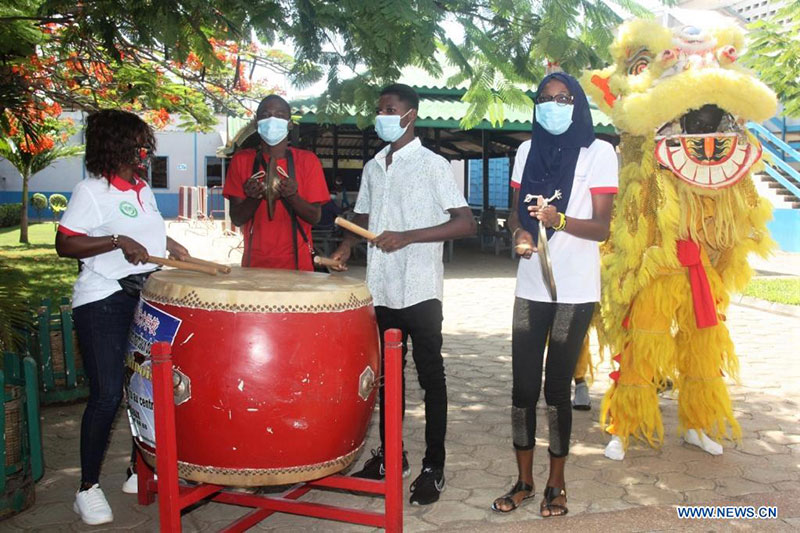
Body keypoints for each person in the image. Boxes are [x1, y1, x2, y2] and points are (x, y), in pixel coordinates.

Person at [330, 83, 476, 505]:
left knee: (432, 379)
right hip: (382, 289)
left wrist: (408, 237)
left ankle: (434, 465)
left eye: (390, 109)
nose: (383, 117)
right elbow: (364, 214)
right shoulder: (375, 165)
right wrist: (345, 246)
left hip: (420, 288)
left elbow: (465, 223)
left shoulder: (432, 165)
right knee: (386, 379)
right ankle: (391, 456)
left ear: (410, 115)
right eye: (380, 109)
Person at [491, 73, 617, 517]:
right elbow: (512, 212)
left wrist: (558, 220)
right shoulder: (527, 150)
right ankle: (524, 480)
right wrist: (521, 232)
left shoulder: (600, 152)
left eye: (563, 99)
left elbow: (602, 228)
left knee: (557, 388)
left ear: (577, 104)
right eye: (545, 99)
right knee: (522, 388)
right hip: (531, 286)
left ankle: (556, 484)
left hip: (575, 290)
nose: (553, 105)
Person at [55, 109, 191, 525]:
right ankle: (88, 488)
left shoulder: (141, 189)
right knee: (109, 393)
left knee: (143, 389)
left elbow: (144, 232)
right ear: (114, 147)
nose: (145, 152)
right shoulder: (91, 190)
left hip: (142, 297)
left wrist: (171, 243)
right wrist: (115, 241)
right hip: (103, 301)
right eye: (138, 145)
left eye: (146, 144)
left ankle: (139, 471)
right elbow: (65, 244)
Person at [223, 94, 329, 270]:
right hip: (254, 265)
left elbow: (315, 217)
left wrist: (292, 196)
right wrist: (254, 196)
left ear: (289, 123)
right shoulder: (242, 160)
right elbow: (237, 218)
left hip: (299, 267)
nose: (272, 120)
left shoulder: (307, 161)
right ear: (256, 124)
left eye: (279, 115)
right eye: (265, 115)